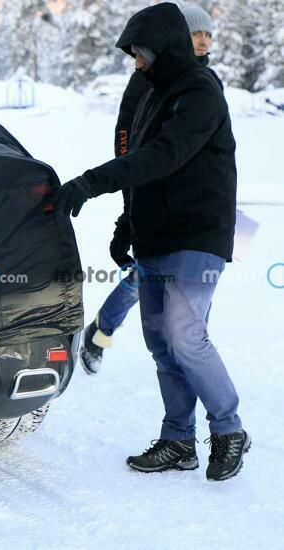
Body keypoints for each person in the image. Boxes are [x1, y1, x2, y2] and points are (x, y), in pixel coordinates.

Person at [53, 2, 249, 481]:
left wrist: (89, 182)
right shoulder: (149, 96)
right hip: (157, 236)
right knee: (162, 344)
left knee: (186, 335)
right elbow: (141, 164)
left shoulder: (200, 92)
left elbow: (164, 155)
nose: (136, 62)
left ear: (163, 47)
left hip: (197, 234)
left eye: (140, 53)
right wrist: (128, 224)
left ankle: (229, 429)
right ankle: (178, 441)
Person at [81, 4, 220, 375]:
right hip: (152, 192)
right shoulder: (148, 75)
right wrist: (131, 203)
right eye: (195, 34)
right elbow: (127, 139)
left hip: (195, 202)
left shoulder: (205, 80)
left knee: (182, 280)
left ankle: (185, 345)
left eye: (208, 35)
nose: (203, 41)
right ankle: (101, 331)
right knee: (144, 275)